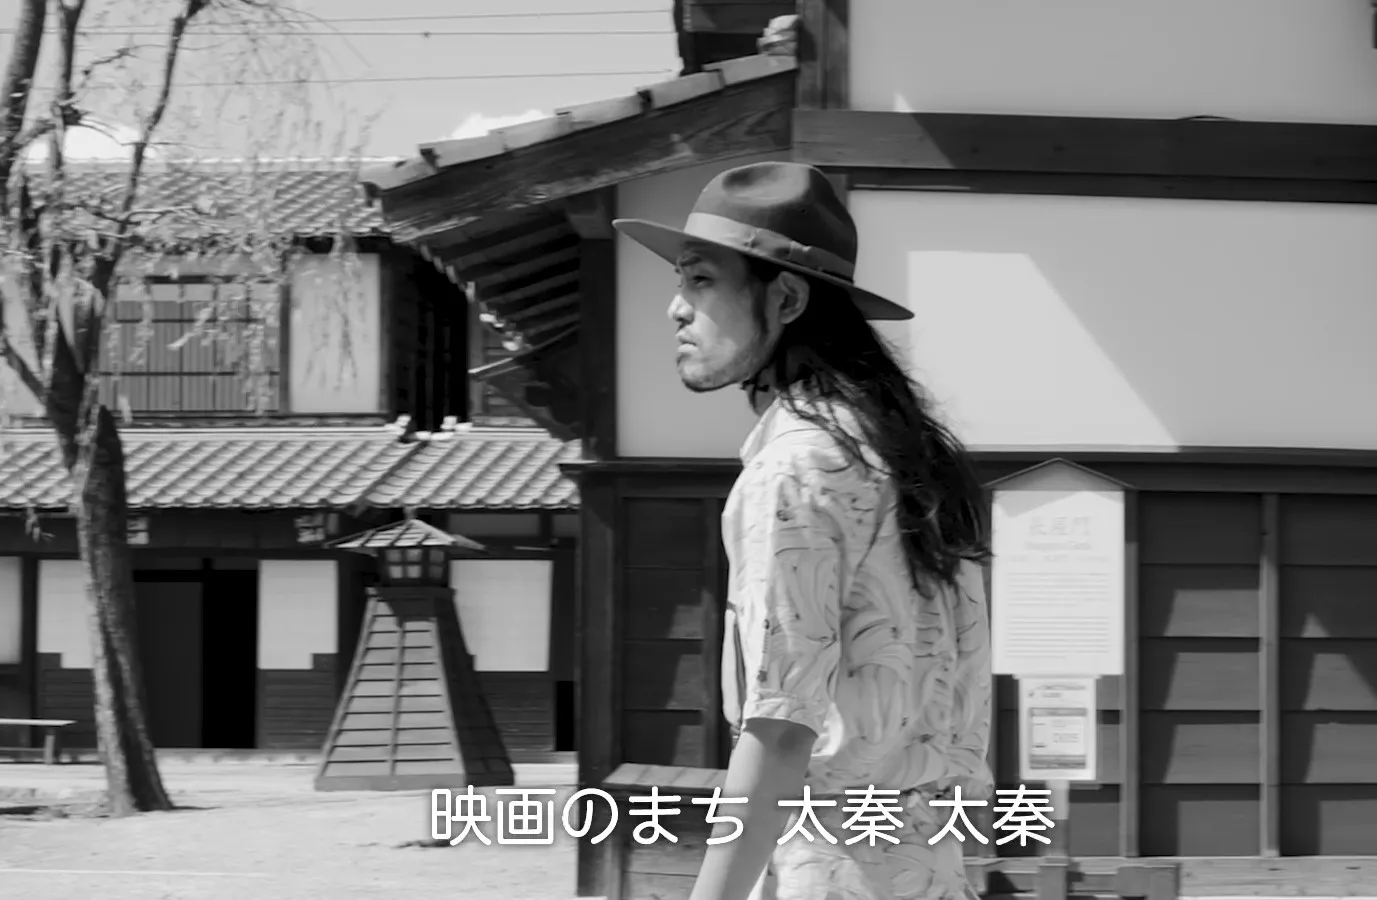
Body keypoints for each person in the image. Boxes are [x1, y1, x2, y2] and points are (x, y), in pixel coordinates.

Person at [612, 162, 994, 900]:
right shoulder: (913, 461)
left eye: (700, 280)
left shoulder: (792, 469)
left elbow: (782, 731)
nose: (675, 309)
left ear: (785, 298)